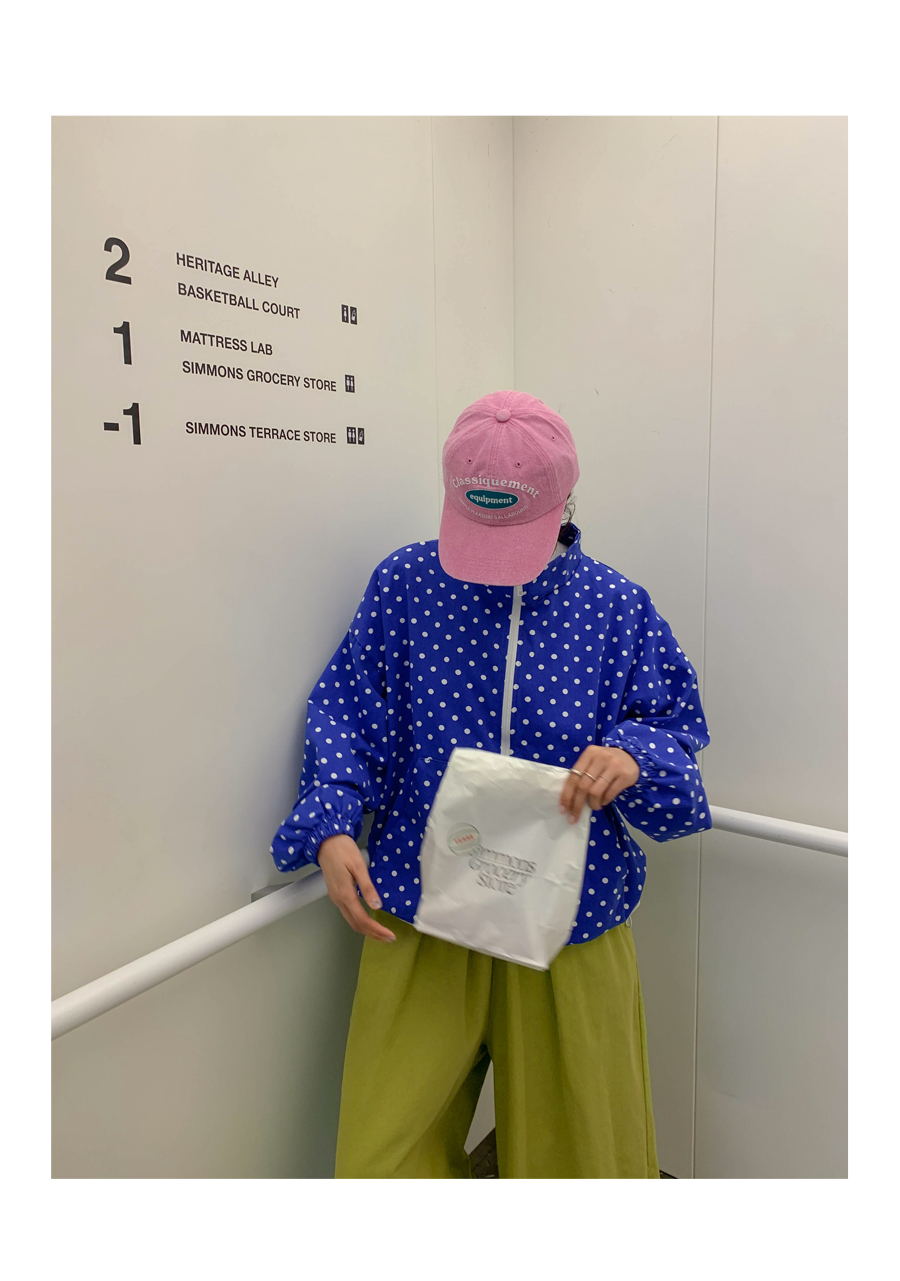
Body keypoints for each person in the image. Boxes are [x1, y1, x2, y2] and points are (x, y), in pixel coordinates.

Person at [271, 390, 711, 1178]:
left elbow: (676, 732)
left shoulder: (616, 608)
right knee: (382, 1159)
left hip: (570, 916)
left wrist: (634, 755)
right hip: (421, 902)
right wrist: (331, 821)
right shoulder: (406, 584)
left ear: (566, 501)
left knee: (584, 1159)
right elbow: (349, 706)